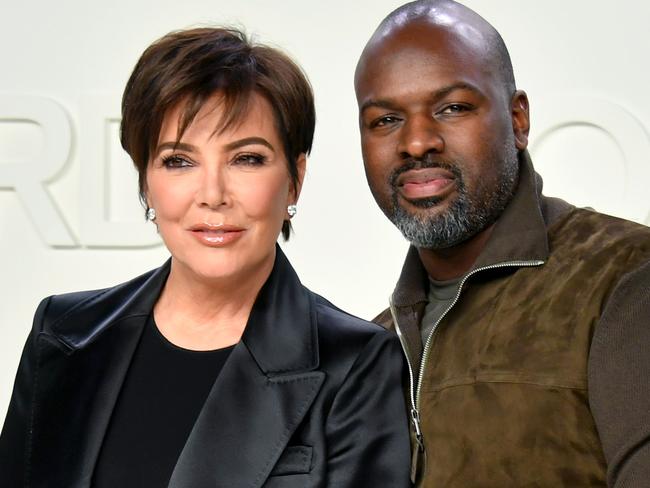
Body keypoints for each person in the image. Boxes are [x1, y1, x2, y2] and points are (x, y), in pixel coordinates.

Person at [0, 27, 412, 488]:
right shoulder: (63, 334)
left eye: (247, 159)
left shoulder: (357, 364)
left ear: (294, 179)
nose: (212, 195)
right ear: (146, 180)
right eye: (179, 160)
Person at [354, 1, 650, 486]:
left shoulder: (625, 277)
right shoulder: (371, 347)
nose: (416, 142)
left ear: (517, 120)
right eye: (385, 120)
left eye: (452, 108)